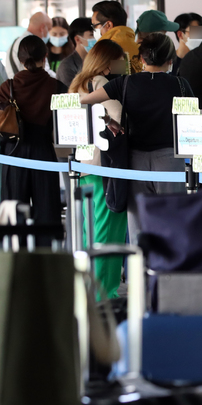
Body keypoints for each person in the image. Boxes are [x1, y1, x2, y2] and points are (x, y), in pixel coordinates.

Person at [80, 33, 191, 243]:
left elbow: (85, 101)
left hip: (134, 161)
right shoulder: (181, 85)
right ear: (170, 60)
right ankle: (170, 272)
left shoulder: (125, 83)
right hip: (170, 160)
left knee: (137, 227)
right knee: (172, 222)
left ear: (141, 59)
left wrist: (107, 119)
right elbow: (193, 121)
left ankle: (140, 273)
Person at [68, 39, 127, 298]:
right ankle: (105, 292)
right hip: (104, 166)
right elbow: (118, 116)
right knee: (108, 230)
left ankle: (87, 289)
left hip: (83, 166)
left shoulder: (77, 84)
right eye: (120, 60)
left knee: (88, 231)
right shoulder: (101, 84)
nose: (123, 65)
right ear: (107, 64)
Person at [0, 36, 66, 242]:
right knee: (47, 212)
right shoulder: (57, 86)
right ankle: (46, 265)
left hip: (12, 154)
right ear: (45, 56)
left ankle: (15, 264)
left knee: (13, 212)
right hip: (44, 153)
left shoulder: (6, 87)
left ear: (20, 60)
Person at [92, 0, 142, 73]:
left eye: (95, 25)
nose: (93, 30)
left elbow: (118, 80)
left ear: (108, 25)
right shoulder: (137, 47)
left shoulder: (111, 50)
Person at [6, 12, 56, 79]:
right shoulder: (34, 45)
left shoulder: (17, 42)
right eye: (49, 29)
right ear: (42, 28)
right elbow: (45, 73)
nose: (50, 34)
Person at [57, 17, 95, 87]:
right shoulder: (67, 66)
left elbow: (120, 73)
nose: (96, 39)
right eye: (92, 35)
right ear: (77, 39)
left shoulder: (100, 59)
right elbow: (71, 93)